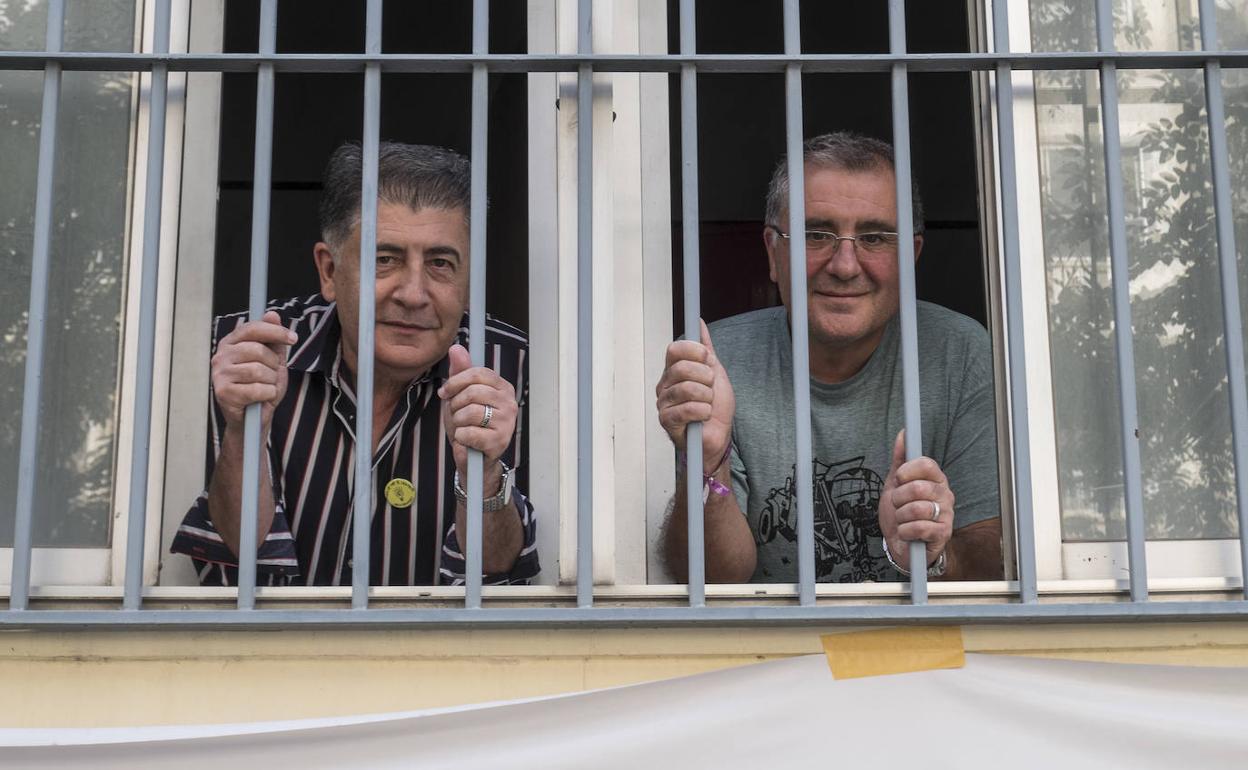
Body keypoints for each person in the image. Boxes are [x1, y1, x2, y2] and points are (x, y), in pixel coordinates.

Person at [172, 141, 538, 586]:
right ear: (329, 271)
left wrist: (481, 474)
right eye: (385, 260)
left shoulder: (516, 372)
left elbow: (499, 577)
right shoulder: (239, 355)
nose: (413, 294)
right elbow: (239, 557)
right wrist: (243, 430)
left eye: (441, 264)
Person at [655, 132, 1002, 583]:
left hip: (924, 646)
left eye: (875, 237)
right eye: (815, 234)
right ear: (772, 252)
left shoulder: (961, 353)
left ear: (911, 257)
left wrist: (931, 552)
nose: (844, 264)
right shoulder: (716, 363)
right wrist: (707, 465)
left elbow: (992, 560)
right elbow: (712, 580)